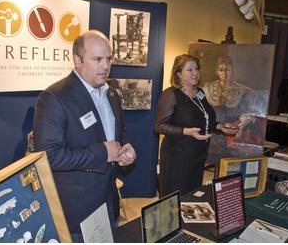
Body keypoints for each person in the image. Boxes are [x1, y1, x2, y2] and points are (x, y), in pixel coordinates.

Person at [33, 30, 136, 242]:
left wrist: (125, 148)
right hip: (79, 207)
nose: (106, 66)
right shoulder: (54, 97)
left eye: (109, 59)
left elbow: (119, 132)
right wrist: (103, 153)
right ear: (77, 60)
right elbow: (49, 156)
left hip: (108, 200)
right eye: (98, 59)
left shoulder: (111, 92)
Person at [155, 54, 216, 197]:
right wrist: (185, 131)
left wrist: (220, 126)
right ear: (178, 73)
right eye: (190, 70)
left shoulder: (199, 92)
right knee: (175, 196)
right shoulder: (170, 94)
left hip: (198, 154)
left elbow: (204, 118)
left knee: (192, 194)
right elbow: (159, 126)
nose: (195, 73)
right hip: (177, 155)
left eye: (197, 69)